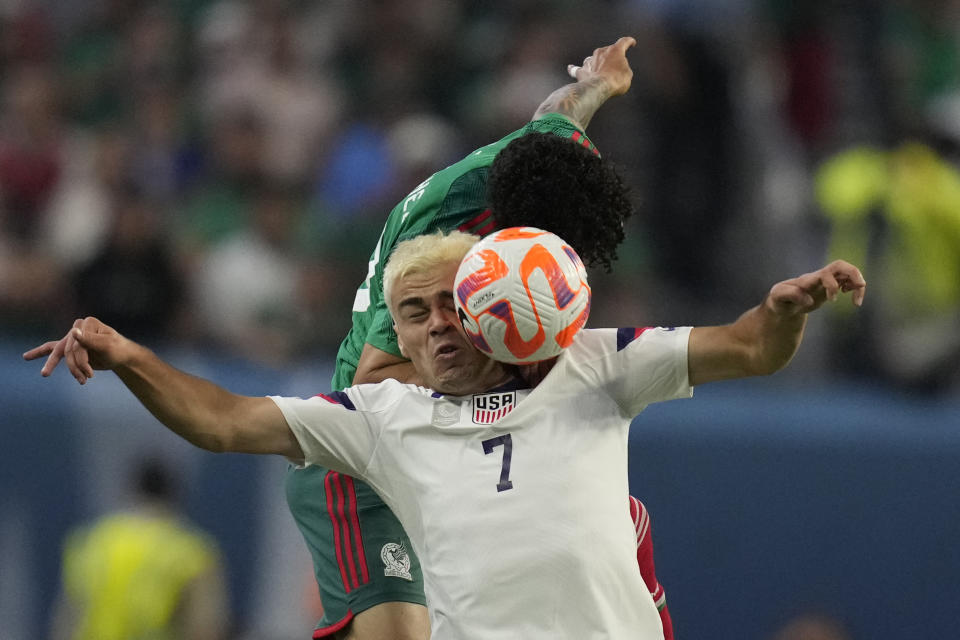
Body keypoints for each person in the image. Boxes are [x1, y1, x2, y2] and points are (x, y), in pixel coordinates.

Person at [26, 229, 866, 639]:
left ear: (494, 308)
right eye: (409, 315)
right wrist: (133, 355)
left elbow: (751, 348)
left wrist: (782, 311)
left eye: (447, 306)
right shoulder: (383, 420)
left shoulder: (595, 365)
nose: (432, 328)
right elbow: (222, 420)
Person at [286, 35, 644, 639]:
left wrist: (599, 84)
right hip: (375, 457)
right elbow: (374, 378)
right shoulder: (442, 230)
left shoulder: (555, 159)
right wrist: (516, 368)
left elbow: (557, 113)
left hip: (460, 453)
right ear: (504, 225)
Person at [48, 456, 230, 640]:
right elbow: (204, 628)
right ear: (176, 494)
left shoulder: (92, 541)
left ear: (132, 489)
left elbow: (67, 617)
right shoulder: (191, 553)